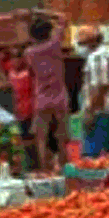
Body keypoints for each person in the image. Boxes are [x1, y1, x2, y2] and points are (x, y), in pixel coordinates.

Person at [74, 26, 109, 158]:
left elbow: (101, 87)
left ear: (92, 42)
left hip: (103, 114)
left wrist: (90, 113)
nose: (79, 47)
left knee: (91, 160)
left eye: (81, 44)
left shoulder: (97, 57)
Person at [23, 13, 69, 173]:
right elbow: (63, 19)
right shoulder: (55, 44)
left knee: (41, 138)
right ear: (49, 32)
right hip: (60, 97)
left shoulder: (29, 53)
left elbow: (30, 71)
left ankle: (44, 170)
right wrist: (41, 12)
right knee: (62, 136)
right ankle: (64, 168)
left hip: (41, 98)